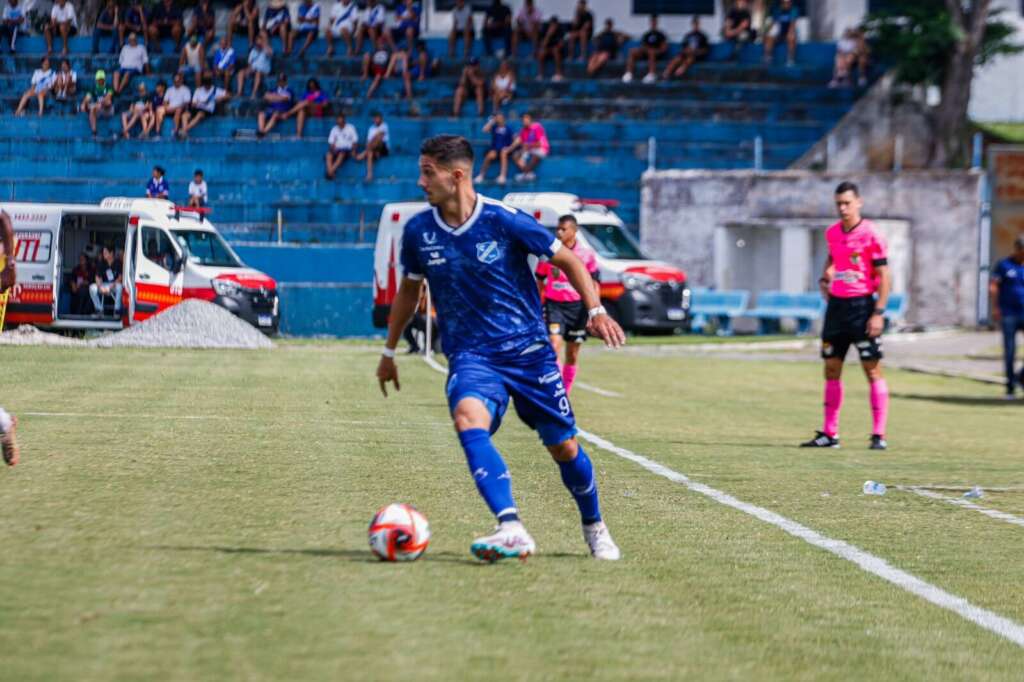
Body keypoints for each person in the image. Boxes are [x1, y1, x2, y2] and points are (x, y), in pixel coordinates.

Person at [376, 134, 625, 562]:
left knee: (563, 447)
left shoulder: (504, 220)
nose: (421, 182)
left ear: (457, 176)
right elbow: (408, 293)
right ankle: (511, 527)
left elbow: (568, 260)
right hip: (472, 356)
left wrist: (596, 311)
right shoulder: (418, 231)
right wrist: (389, 352)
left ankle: (594, 525)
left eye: (428, 173)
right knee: (467, 418)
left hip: (529, 353)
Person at [801, 182, 891, 451]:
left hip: (862, 308)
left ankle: (878, 435)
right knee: (831, 368)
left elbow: (884, 277)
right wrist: (825, 276)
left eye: (847, 203)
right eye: (838, 203)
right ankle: (830, 434)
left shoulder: (872, 234)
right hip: (836, 310)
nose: (842, 208)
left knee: (872, 369)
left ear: (858, 202)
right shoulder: (832, 233)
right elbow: (833, 258)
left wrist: (878, 313)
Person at [536, 215, 600, 395]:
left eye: (563, 229)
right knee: (554, 345)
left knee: (572, 354)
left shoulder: (586, 255)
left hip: (578, 308)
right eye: (558, 229)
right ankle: (555, 390)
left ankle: (565, 392)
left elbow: (594, 284)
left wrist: (595, 311)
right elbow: (540, 280)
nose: (559, 232)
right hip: (554, 306)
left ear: (574, 231)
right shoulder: (550, 253)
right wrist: (537, 304)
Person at [990, 236, 1024, 399]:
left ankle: (1020, 377)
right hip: (1009, 314)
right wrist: (995, 308)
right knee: (1010, 352)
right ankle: (1010, 389)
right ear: (1017, 249)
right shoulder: (1004, 265)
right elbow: (993, 286)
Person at [500, 111, 549, 184]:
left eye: (526, 118)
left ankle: (525, 174)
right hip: (530, 149)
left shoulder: (537, 127)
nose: (525, 121)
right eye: (523, 119)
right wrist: (509, 148)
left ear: (530, 119)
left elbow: (539, 144)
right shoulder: (523, 130)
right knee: (515, 155)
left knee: (536, 155)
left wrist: (527, 145)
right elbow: (518, 140)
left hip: (541, 148)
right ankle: (528, 174)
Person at [179, 71, 229, 138]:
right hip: (197, 108)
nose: (207, 85)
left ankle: (184, 130)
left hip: (208, 110)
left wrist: (221, 98)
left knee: (200, 114)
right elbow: (193, 104)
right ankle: (184, 132)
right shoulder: (198, 90)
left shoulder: (215, 90)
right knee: (184, 115)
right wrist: (200, 103)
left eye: (208, 83)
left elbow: (228, 95)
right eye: (205, 83)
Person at [622, 14, 667, 84]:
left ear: (657, 23)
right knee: (632, 51)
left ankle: (651, 74)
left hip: (656, 54)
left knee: (651, 52)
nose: (653, 23)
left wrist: (656, 51)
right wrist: (645, 49)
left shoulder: (661, 34)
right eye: (652, 22)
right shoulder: (647, 34)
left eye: (654, 22)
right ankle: (629, 74)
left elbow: (664, 48)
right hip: (646, 52)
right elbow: (643, 45)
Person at [663, 16, 708, 80]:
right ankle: (666, 73)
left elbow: (705, 50)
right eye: (694, 24)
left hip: (696, 55)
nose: (695, 25)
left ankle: (679, 72)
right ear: (692, 24)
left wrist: (696, 51)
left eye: (696, 23)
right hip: (686, 54)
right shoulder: (688, 35)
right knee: (678, 58)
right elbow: (683, 48)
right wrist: (687, 50)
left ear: (699, 24)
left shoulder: (702, 36)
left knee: (690, 58)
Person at [474, 112, 513, 183]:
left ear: (504, 119)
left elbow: (511, 141)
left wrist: (509, 148)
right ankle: (481, 175)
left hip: (505, 150)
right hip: (495, 149)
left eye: (500, 118)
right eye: (498, 118)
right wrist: (491, 122)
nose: (499, 119)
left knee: (503, 153)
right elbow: (484, 129)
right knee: (490, 155)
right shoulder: (494, 127)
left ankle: (502, 176)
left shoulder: (508, 129)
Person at [90, 245, 123, 317]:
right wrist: (100, 287)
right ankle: (99, 310)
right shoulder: (101, 263)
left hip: (114, 285)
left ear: (111, 253)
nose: (103, 254)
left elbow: (120, 278)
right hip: (103, 285)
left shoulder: (118, 263)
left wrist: (111, 287)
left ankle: (117, 311)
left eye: (105, 252)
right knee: (92, 287)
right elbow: (97, 277)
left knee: (120, 287)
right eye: (103, 253)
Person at [236, 31, 273, 97]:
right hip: (253, 69)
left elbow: (270, 54)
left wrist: (263, 44)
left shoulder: (268, 48)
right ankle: (239, 92)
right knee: (241, 73)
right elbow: (250, 63)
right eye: (258, 40)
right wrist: (249, 70)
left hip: (264, 71)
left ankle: (254, 94)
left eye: (261, 39)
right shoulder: (253, 50)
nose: (258, 41)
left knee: (258, 73)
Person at [356, 110, 389, 182]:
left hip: (383, 148)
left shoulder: (384, 125)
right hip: (373, 148)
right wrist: (370, 144)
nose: (376, 120)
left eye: (378, 118)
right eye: (375, 118)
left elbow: (380, 137)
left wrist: (373, 139)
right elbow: (368, 142)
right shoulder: (371, 128)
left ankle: (363, 153)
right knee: (370, 153)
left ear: (381, 119)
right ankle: (369, 174)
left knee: (378, 138)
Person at [764, 0, 798, 66]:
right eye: (784, 3)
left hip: (788, 32)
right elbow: (774, 24)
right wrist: (767, 33)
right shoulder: (777, 11)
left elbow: (792, 25)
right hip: (779, 33)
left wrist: (789, 34)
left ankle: (790, 59)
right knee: (769, 37)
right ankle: (768, 58)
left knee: (791, 37)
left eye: (788, 3)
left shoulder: (793, 10)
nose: (786, 4)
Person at [80, 69, 114, 135]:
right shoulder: (93, 88)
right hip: (98, 109)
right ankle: (94, 130)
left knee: (108, 102)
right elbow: (87, 97)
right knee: (91, 108)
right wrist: (84, 103)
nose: (100, 81)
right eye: (98, 79)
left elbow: (108, 97)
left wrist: (99, 104)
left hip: (108, 109)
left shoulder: (109, 87)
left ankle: (90, 107)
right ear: (96, 79)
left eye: (101, 79)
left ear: (104, 79)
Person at [325, 113, 358, 179]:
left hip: (347, 149)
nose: (339, 122)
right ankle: (331, 172)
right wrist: (333, 148)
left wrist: (353, 150)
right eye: (338, 120)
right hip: (337, 149)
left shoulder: (350, 128)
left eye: (341, 120)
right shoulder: (334, 129)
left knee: (341, 154)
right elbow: (331, 143)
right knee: (328, 155)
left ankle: (330, 172)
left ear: (344, 120)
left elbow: (355, 141)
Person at [156, 72, 190, 137]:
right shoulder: (169, 90)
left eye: (178, 80)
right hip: (170, 108)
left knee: (178, 109)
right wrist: (166, 107)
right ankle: (158, 132)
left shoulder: (186, 90)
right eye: (175, 80)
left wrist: (175, 108)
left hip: (180, 108)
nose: (176, 82)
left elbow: (186, 103)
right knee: (159, 109)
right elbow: (165, 101)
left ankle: (175, 131)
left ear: (181, 80)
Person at [536, 15, 567, 82]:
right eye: (552, 24)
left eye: (554, 24)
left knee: (555, 51)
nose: (553, 26)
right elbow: (543, 45)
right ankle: (540, 75)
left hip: (558, 51)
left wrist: (555, 48)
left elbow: (561, 45)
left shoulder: (560, 31)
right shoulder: (545, 30)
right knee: (541, 53)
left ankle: (558, 74)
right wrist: (549, 34)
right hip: (548, 50)